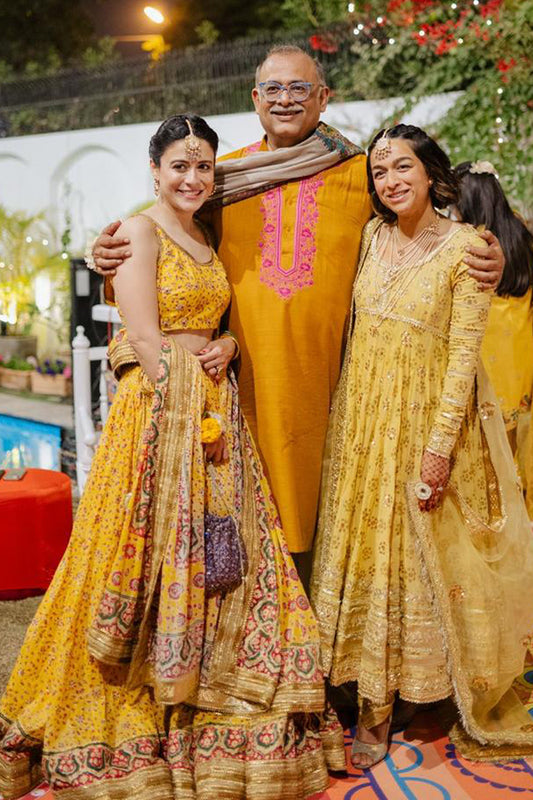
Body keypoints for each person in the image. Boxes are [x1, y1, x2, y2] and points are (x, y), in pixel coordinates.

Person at [0, 115, 345, 800]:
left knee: (222, 563)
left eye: (203, 167)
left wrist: (230, 349)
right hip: (160, 419)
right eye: (180, 166)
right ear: (153, 170)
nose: (193, 179)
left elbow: (210, 327)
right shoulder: (137, 232)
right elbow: (148, 340)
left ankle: (208, 701)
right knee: (149, 555)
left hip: (214, 416)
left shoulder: (205, 233)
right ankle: (141, 713)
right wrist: (196, 393)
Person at [89, 46, 504, 576]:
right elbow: (171, 250)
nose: (286, 100)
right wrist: (107, 257)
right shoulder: (223, 177)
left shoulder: (359, 171)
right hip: (237, 381)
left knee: (326, 516)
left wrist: (487, 251)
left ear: (324, 97)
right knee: (229, 520)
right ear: (256, 99)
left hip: (335, 386)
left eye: (300, 89)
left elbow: (425, 226)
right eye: (274, 90)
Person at [310, 124, 533, 769]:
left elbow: (465, 357)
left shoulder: (467, 248)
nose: (390, 181)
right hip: (360, 427)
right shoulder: (370, 239)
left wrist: (438, 449)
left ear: (432, 175)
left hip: (427, 428)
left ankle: (398, 703)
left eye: (402, 167)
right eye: (380, 172)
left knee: (413, 563)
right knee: (362, 556)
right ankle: (358, 697)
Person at [454, 160, 533, 453]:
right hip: (523, 346)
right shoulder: (519, 228)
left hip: (491, 352)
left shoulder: (475, 242)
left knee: (493, 449)